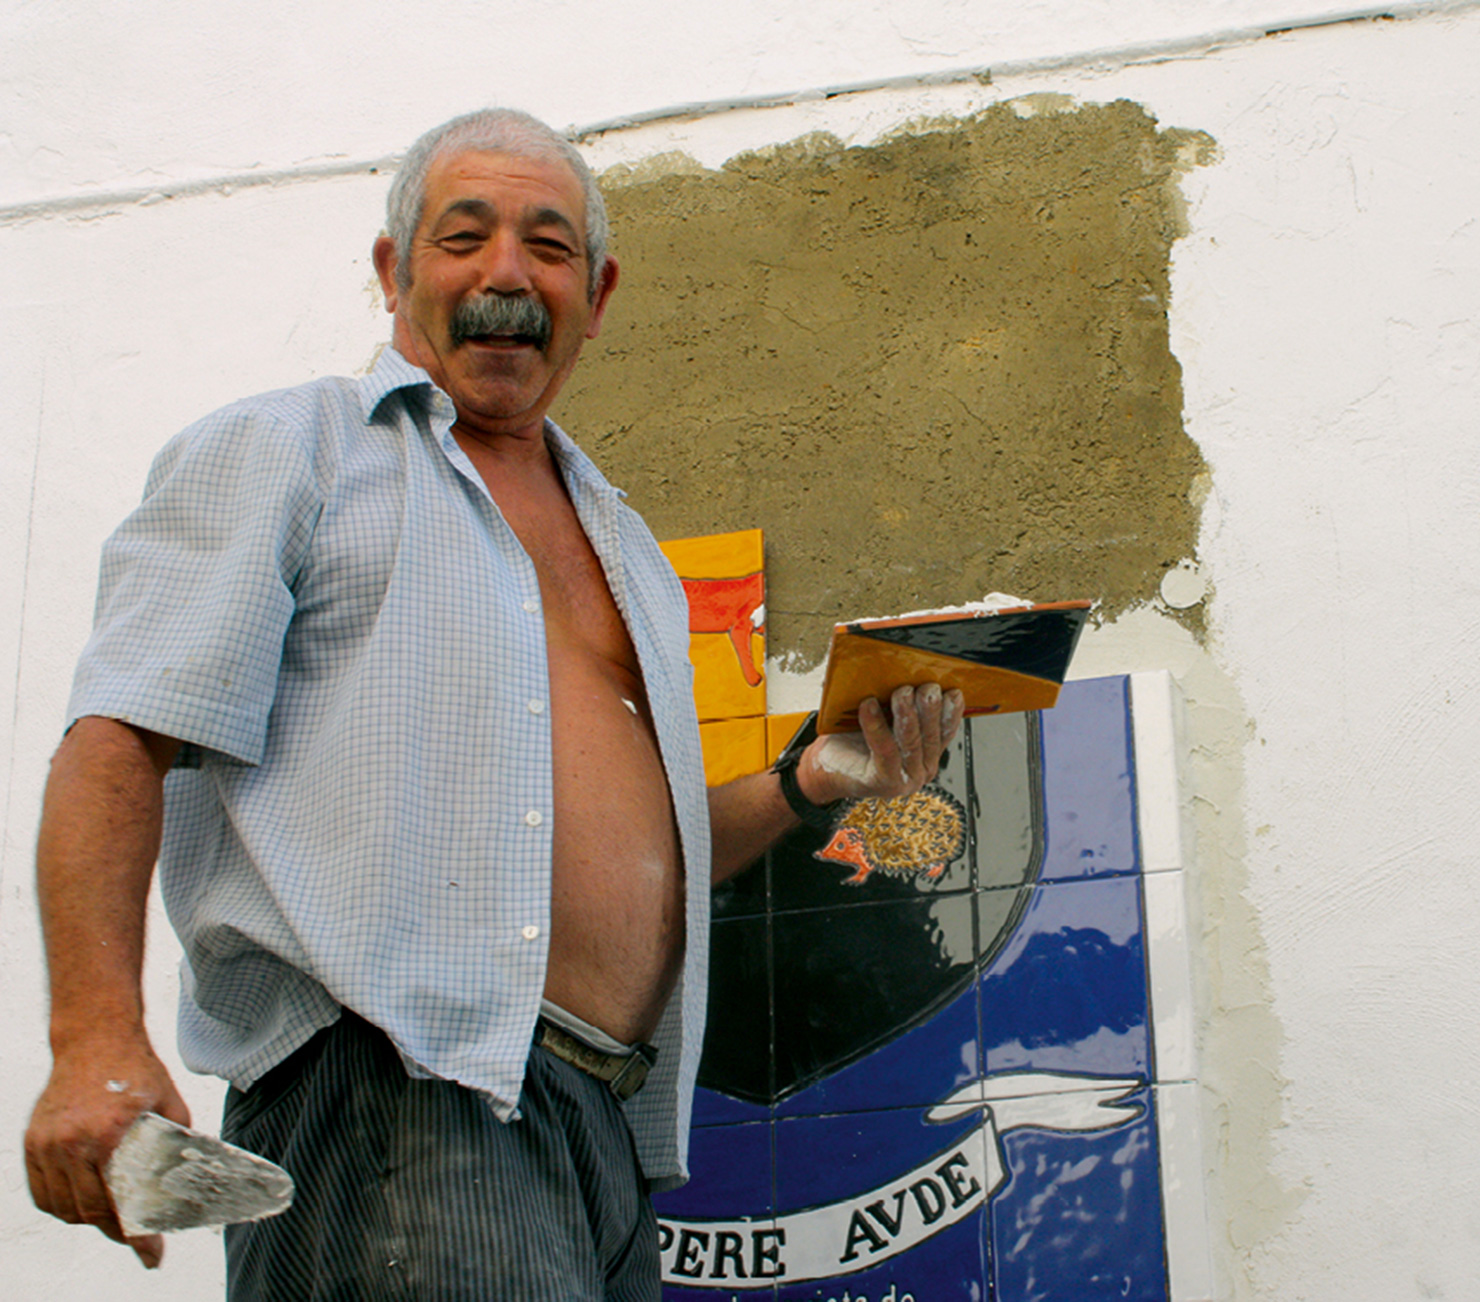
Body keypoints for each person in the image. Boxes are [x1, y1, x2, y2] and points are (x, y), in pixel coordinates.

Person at [21, 107, 961, 1300]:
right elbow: (115, 737)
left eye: (548, 246)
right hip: (403, 1097)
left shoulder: (626, 547)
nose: (507, 273)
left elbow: (637, 861)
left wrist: (814, 777)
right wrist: (92, 1039)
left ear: (598, 290)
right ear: (391, 270)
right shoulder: (293, 450)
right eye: (463, 237)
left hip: (607, 1135)